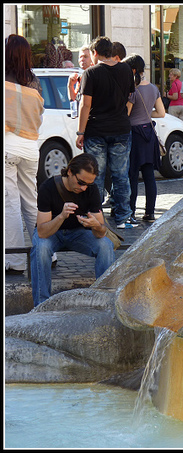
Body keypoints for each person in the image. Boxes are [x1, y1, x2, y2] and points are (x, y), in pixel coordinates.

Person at [30, 154, 115, 306]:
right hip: (51, 233)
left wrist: (95, 225)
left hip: (78, 233)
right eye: (81, 182)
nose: (83, 188)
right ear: (69, 171)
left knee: (105, 245)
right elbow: (42, 232)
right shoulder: (48, 187)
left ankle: (106, 301)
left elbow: (101, 232)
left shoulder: (91, 190)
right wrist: (61, 216)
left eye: (88, 184)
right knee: (41, 248)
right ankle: (41, 305)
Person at [76, 35, 137, 229]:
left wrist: (80, 132)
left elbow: (86, 106)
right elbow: (128, 96)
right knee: (121, 175)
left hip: (96, 130)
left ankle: (94, 214)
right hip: (120, 128)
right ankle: (124, 217)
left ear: (95, 53)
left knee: (95, 175)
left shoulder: (91, 73)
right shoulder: (126, 69)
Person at [5, 34, 45, 275]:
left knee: (9, 205)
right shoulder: (34, 81)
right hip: (31, 148)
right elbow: (40, 114)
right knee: (32, 203)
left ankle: (15, 261)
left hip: (7, 147)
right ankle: (45, 253)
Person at [123, 54, 165, 223]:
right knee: (149, 175)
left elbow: (127, 113)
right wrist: (147, 114)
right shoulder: (153, 88)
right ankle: (150, 212)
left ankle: (131, 212)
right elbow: (161, 113)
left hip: (135, 134)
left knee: (132, 175)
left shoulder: (133, 88)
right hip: (149, 133)